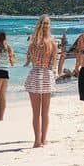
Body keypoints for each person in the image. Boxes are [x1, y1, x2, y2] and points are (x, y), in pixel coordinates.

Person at [24, 16, 56, 147]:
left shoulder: (33, 43)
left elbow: (28, 61)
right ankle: (43, 139)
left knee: (36, 112)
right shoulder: (52, 43)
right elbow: (53, 62)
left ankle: (37, 140)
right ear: (48, 26)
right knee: (45, 112)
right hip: (46, 75)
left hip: (35, 74)